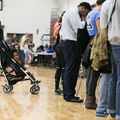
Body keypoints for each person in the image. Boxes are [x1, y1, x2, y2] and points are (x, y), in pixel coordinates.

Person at [60, 2, 91, 102]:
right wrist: (84, 22)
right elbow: (79, 29)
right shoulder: (73, 12)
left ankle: (69, 94)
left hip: (69, 43)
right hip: (71, 43)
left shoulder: (70, 11)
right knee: (71, 69)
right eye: (85, 13)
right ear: (82, 7)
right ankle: (69, 95)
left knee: (71, 69)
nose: (85, 15)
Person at [85, 0, 106, 109]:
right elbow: (100, 31)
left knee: (91, 73)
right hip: (97, 42)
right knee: (95, 73)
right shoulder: (98, 14)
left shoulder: (90, 13)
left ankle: (88, 96)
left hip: (90, 41)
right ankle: (90, 99)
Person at [95, 0, 111, 118]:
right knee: (107, 77)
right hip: (108, 46)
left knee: (107, 77)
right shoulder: (99, 14)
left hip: (104, 45)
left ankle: (103, 107)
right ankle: (102, 107)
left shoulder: (98, 12)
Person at [106, 0, 120, 120]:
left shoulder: (106, 4)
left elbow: (104, 26)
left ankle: (112, 110)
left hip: (112, 42)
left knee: (114, 76)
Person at [53, 12, 65, 95]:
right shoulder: (62, 26)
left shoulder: (59, 25)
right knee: (63, 69)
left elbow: (56, 39)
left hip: (58, 48)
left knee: (59, 69)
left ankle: (56, 88)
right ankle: (63, 89)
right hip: (62, 48)